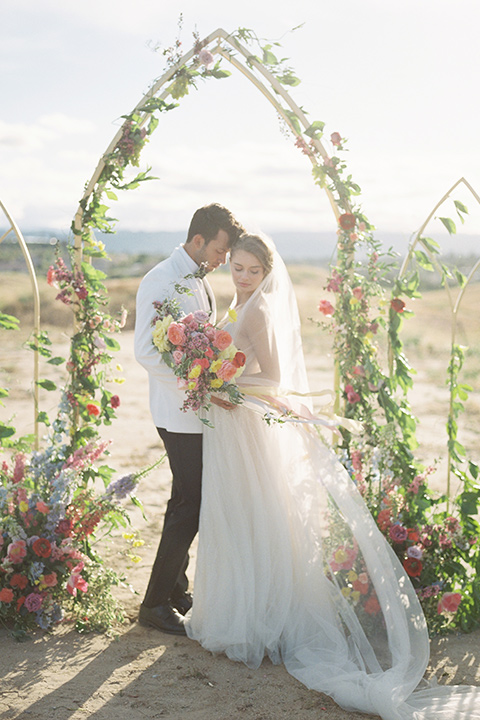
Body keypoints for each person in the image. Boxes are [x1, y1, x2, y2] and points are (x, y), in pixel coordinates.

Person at [184, 232, 480, 719]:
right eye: (236, 267)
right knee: (230, 518)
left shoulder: (257, 311)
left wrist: (222, 383)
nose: (242, 276)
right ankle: (230, 616)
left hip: (246, 423)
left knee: (254, 517)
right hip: (228, 427)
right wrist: (211, 380)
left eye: (252, 271)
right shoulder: (233, 305)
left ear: (267, 273)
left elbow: (274, 379)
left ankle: (258, 624)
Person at [134, 203, 244, 635]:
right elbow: (146, 351)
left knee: (185, 498)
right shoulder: (160, 279)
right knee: (191, 504)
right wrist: (199, 385)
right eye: (219, 250)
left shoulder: (199, 279)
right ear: (199, 240)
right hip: (178, 412)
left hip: (196, 409)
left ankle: (176, 590)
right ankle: (155, 604)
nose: (223, 260)